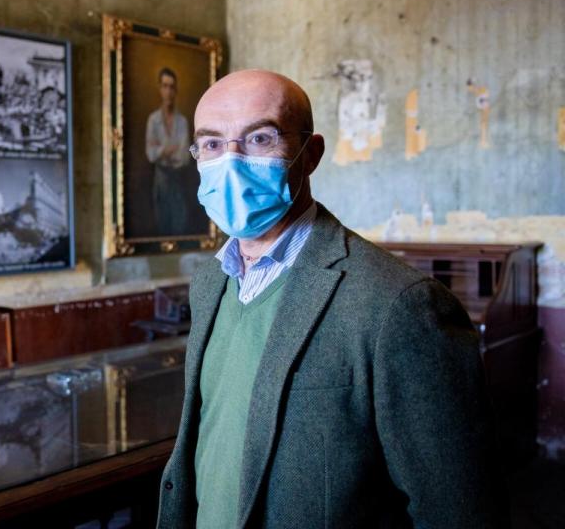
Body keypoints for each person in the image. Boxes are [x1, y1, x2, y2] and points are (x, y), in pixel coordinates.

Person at [157, 70, 504, 528]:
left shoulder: (400, 305)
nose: (231, 162)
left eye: (259, 139)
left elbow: (459, 512)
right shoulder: (210, 283)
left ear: (310, 153)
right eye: (212, 144)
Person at [145, 67, 190, 235]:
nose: (168, 91)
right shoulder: (153, 120)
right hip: (161, 180)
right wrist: (169, 149)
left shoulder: (182, 121)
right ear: (160, 88)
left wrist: (161, 151)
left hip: (178, 180)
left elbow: (184, 157)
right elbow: (150, 154)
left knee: (179, 223)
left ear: (176, 90)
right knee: (162, 224)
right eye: (165, 86)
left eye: (172, 87)